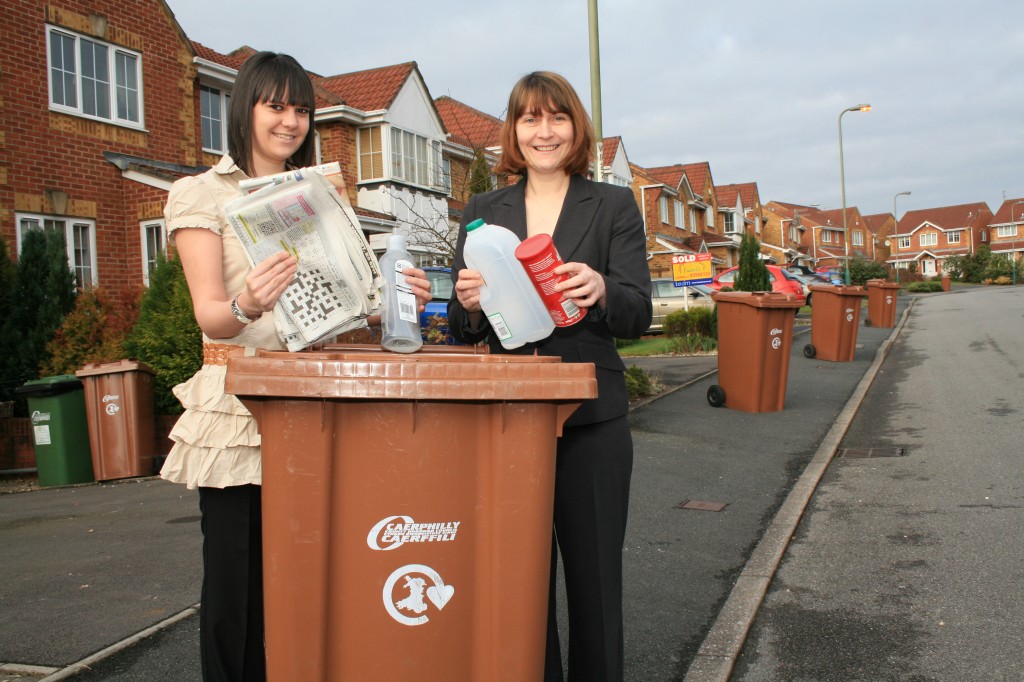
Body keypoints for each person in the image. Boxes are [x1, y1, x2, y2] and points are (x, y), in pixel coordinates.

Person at [160, 52, 431, 682]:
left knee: (316, 567)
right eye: (275, 106)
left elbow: (347, 304)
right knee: (237, 577)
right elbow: (211, 315)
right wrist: (248, 302)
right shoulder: (202, 193)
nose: (290, 122)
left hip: (315, 392)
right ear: (245, 109)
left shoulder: (319, 193)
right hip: (239, 402)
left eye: (301, 110)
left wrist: (395, 298)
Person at [447, 71, 652, 682]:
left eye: (557, 118)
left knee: (595, 584)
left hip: (593, 420)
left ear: (575, 127)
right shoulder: (482, 212)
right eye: (530, 118)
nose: (544, 132)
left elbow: (638, 312)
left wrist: (602, 288)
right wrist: (470, 304)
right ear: (514, 130)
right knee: (521, 585)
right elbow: (462, 326)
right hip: (509, 419)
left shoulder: (612, 206)